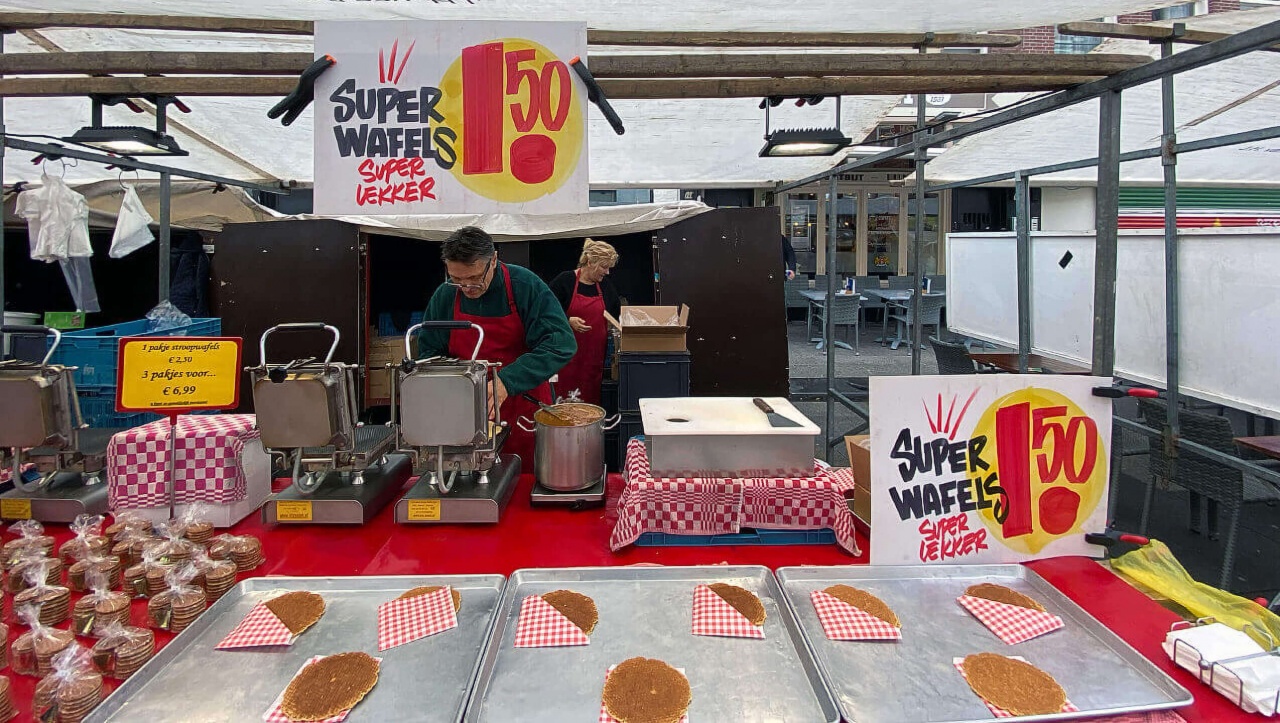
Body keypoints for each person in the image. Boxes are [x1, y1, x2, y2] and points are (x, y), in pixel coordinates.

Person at [417, 227, 576, 464]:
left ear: (493, 260)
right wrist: (455, 387)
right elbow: (429, 353)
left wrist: (507, 381)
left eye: (474, 278)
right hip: (464, 410)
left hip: (523, 408)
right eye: (457, 279)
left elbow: (560, 343)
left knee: (525, 478)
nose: (467, 287)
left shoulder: (524, 285)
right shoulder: (445, 296)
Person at [549, 239, 620, 405]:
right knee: (562, 407)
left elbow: (616, 316)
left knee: (587, 407)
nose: (607, 272)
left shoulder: (606, 287)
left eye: (609, 267)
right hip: (565, 360)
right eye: (604, 266)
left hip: (592, 361)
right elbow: (545, 314)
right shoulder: (564, 281)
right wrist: (567, 321)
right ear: (590, 262)